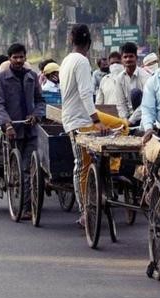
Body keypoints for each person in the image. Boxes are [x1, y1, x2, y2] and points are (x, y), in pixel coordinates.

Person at [58, 24, 109, 225]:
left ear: (71, 40)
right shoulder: (81, 61)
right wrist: (96, 120)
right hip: (80, 121)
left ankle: (102, 192)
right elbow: (85, 93)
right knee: (82, 165)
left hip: (78, 117)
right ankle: (84, 211)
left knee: (121, 124)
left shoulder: (67, 60)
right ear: (88, 43)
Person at [0, 43, 46, 220]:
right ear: (9, 59)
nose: (18, 60)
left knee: (29, 168)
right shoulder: (0, 78)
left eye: (21, 57)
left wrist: (36, 115)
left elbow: (40, 101)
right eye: (15, 57)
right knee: (19, 169)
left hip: (31, 129)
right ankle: (23, 205)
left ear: (25, 58)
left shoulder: (32, 76)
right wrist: (6, 124)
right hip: (12, 129)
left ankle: (28, 206)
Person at [113, 42, 151, 122]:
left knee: (135, 93)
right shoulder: (119, 78)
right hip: (128, 119)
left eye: (131, 56)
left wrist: (131, 121)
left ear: (136, 58)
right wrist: (124, 120)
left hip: (145, 116)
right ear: (121, 59)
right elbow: (121, 104)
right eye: (125, 57)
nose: (128, 59)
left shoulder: (145, 76)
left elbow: (146, 103)